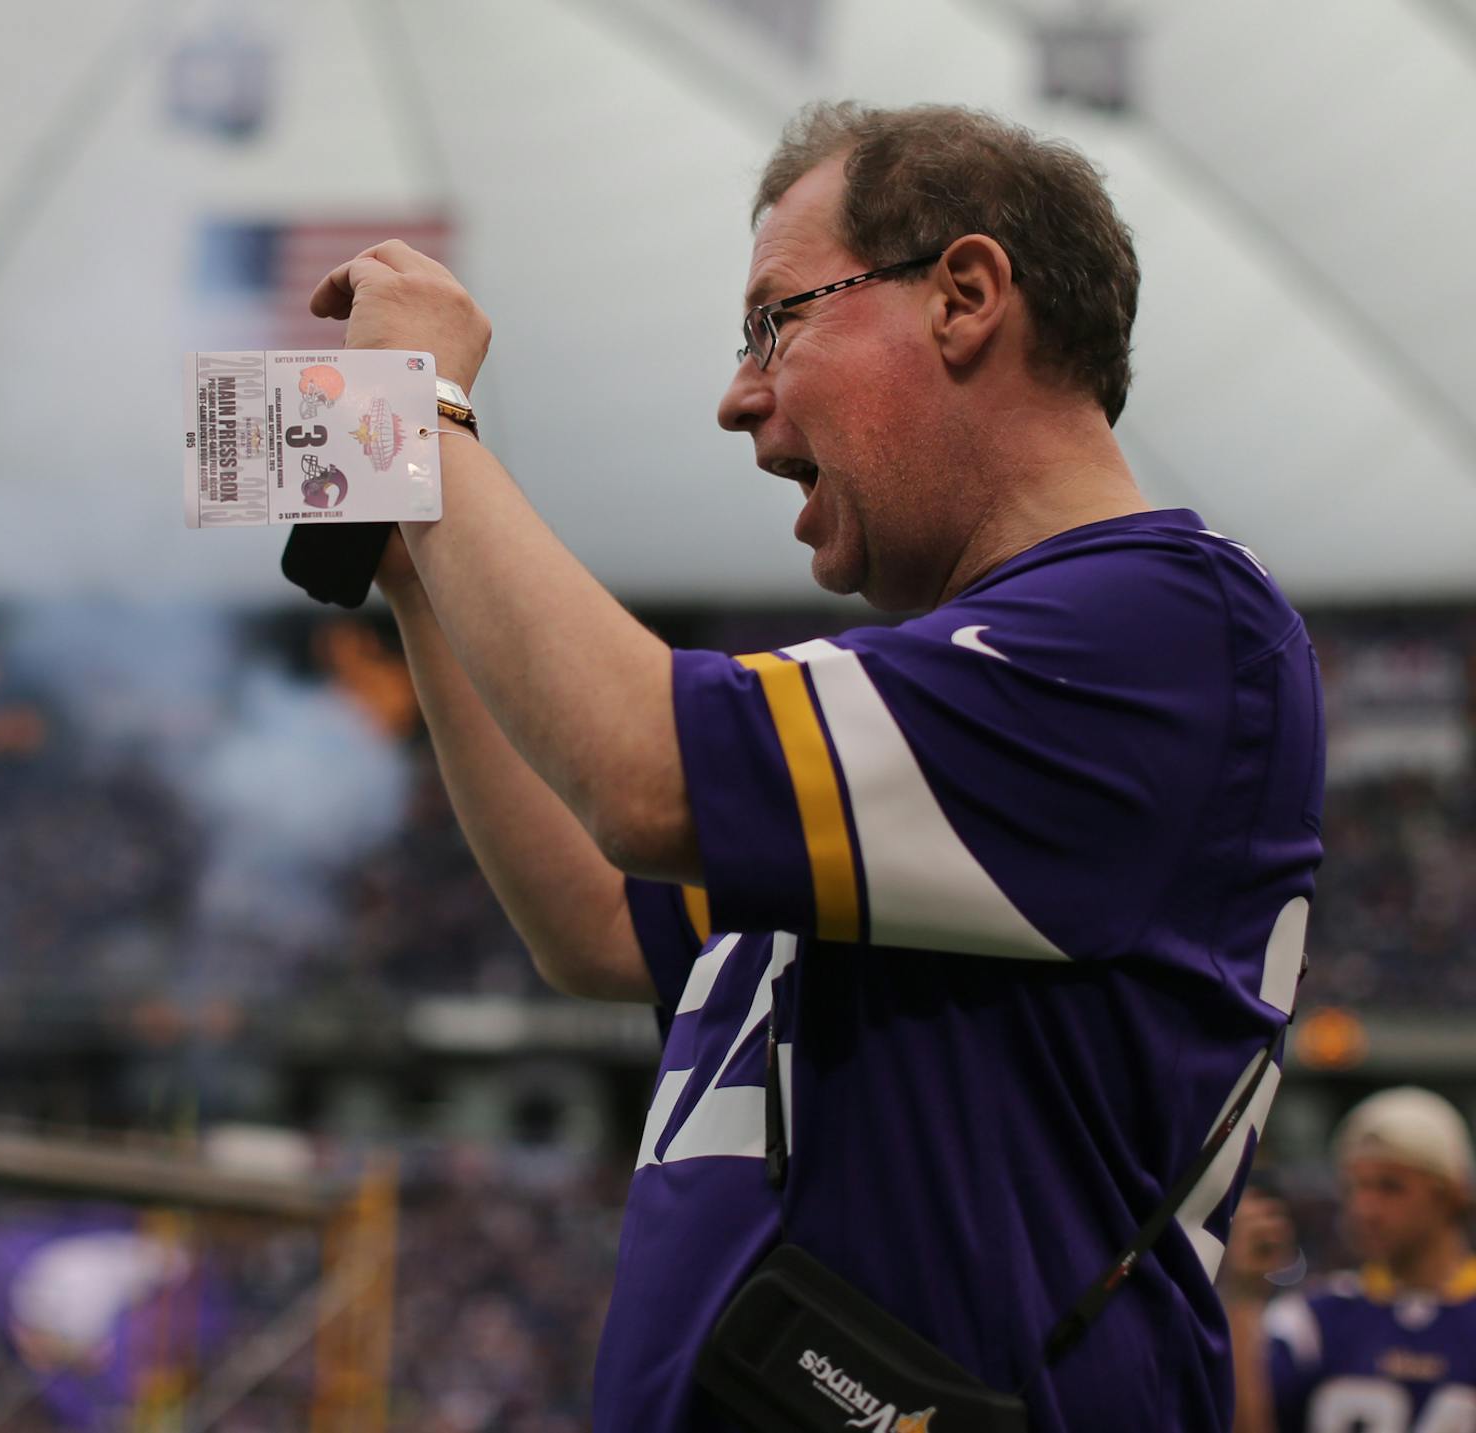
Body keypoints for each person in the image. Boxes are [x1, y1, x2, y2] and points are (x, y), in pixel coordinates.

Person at [307, 98, 1325, 1430]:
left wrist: (426, 412)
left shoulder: (1167, 625)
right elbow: (603, 919)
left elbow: (645, 774)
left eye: (775, 320)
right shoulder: (977, 703)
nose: (740, 398)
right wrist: (414, 564)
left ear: (963, 296)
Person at [1224, 1088, 1476, 1432]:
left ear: (1451, 1196)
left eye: (1390, 1187)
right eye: (1355, 1188)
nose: (1364, 1209)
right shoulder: (1312, 1319)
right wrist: (1244, 1295)